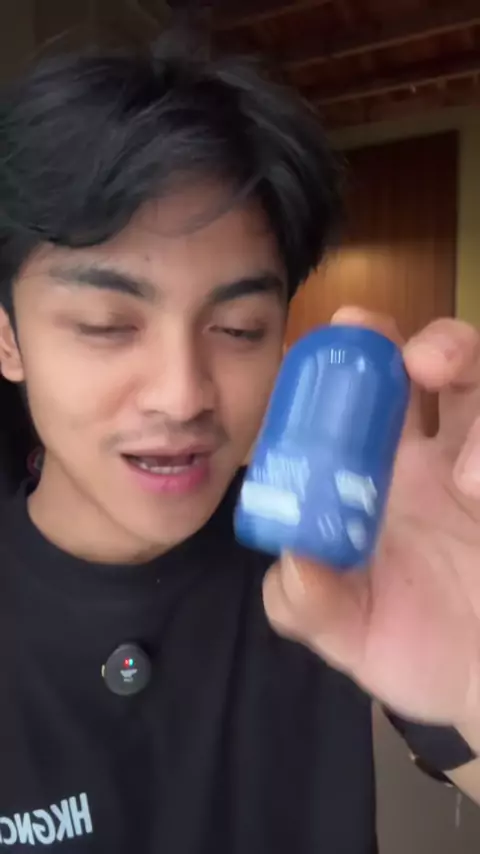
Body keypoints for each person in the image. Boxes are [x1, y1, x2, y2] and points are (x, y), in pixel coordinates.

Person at [0, 31, 479, 854]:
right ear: (8, 339)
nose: (183, 394)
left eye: (238, 327)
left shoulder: (333, 566)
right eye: (108, 324)